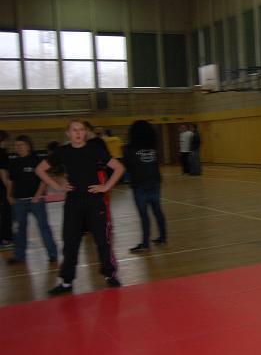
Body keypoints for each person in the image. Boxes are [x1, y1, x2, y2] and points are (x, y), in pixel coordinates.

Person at [35, 119, 126, 295]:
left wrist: (106, 187)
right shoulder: (63, 151)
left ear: (85, 132)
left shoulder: (95, 149)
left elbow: (119, 168)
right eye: (74, 130)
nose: (78, 133)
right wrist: (57, 186)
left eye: (81, 129)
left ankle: (109, 274)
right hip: (73, 203)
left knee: (102, 240)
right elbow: (40, 169)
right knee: (70, 243)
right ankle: (66, 282)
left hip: (94, 202)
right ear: (68, 133)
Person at [5, 136, 58, 265]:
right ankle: (19, 256)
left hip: (36, 201)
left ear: (28, 146)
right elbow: (11, 181)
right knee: (19, 229)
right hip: (19, 201)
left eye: (21, 145)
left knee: (43, 227)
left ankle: (52, 254)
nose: (18, 147)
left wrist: (38, 195)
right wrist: (9, 195)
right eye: (16, 145)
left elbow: (44, 180)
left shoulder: (37, 160)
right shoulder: (14, 162)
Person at [124, 120, 167, 253]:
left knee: (144, 214)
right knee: (157, 210)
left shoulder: (129, 148)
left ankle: (145, 243)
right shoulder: (153, 147)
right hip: (154, 182)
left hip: (140, 184)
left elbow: (128, 165)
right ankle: (163, 237)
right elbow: (156, 162)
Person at [0, 130, 13, 249]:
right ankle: (6, 238)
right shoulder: (2, 153)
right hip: (2, 189)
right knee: (6, 213)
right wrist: (9, 189)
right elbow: (3, 172)